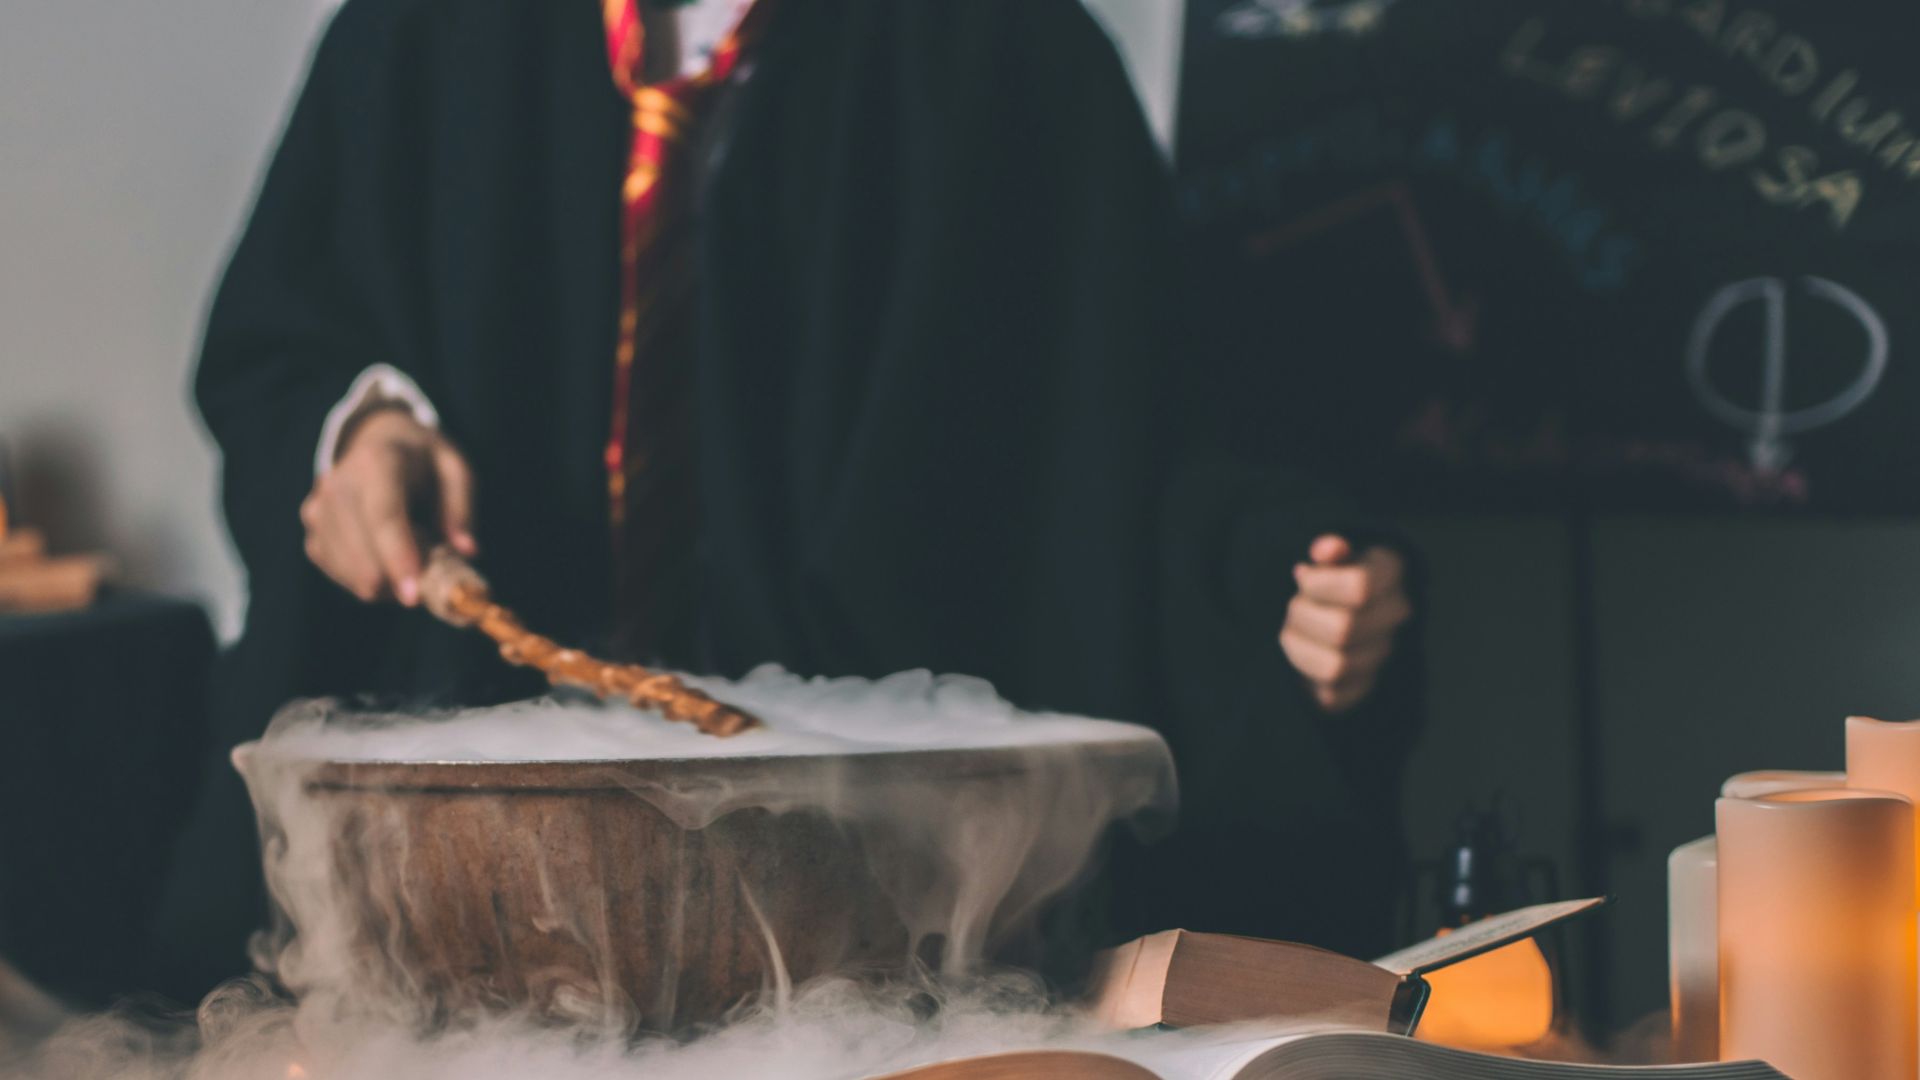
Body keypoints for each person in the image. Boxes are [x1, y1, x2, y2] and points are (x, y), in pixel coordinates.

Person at [163, 0, 1420, 1000]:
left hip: (882, 882)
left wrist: (1276, 587)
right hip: (471, 882)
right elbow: (278, 354)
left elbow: (1141, 442)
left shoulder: (1011, 54)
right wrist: (357, 430)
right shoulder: (418, 37)